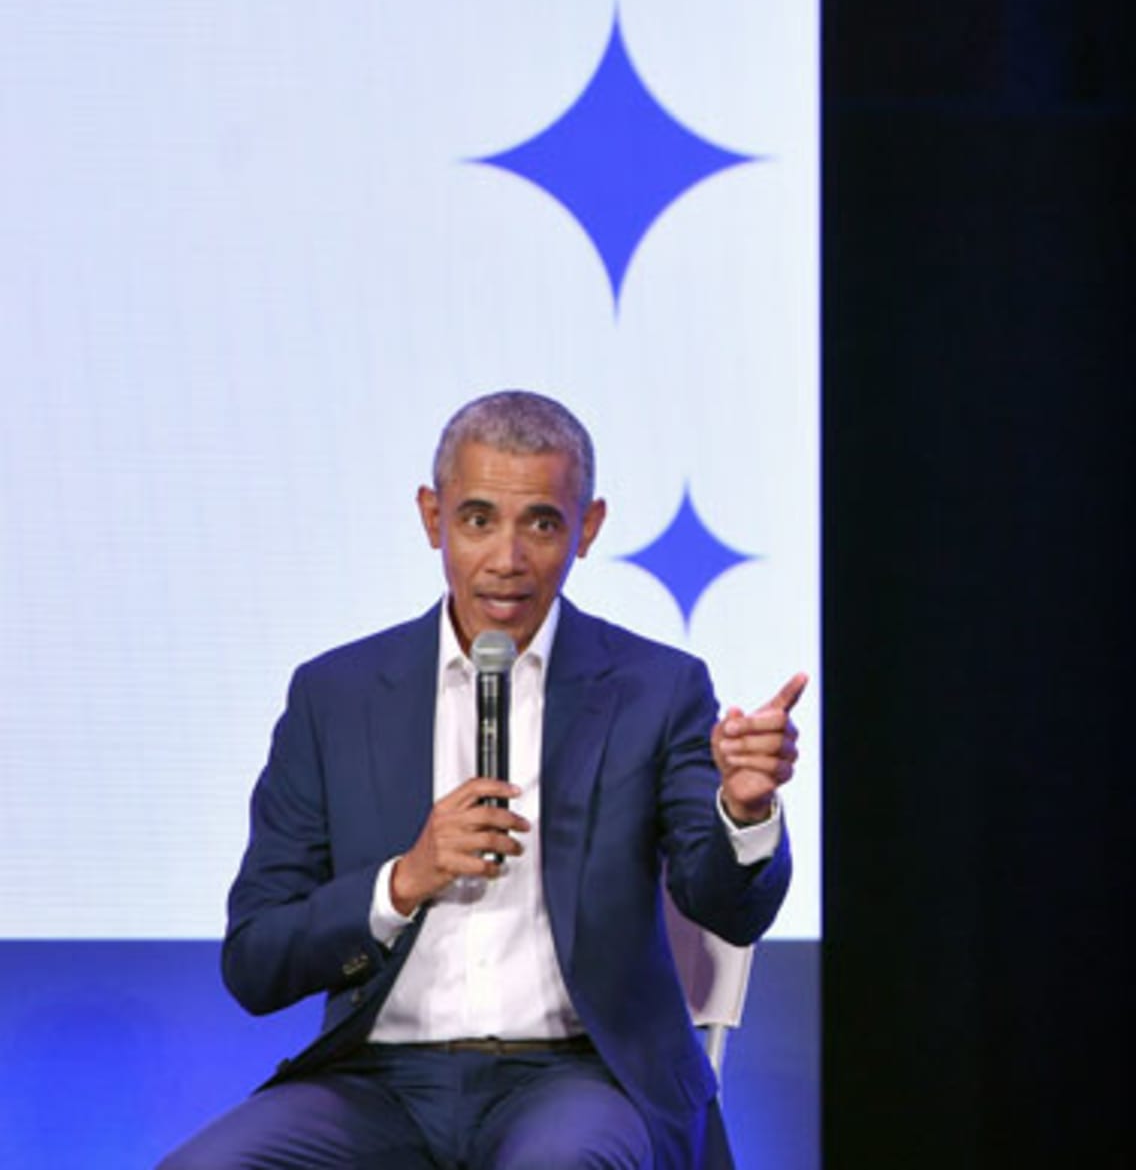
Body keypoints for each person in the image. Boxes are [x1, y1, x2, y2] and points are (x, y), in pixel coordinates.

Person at [161, 390, 801, 1170]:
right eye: (476, 520)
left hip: (575, 1076)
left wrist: (744, 806)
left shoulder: (653, 688)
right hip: (375, 1082)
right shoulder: (336, 696)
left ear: (587, 528)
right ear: (432, 518)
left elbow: (726, 905)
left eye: (542, 522)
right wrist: (403, 880)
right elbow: (256, 961)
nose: (507, 558)